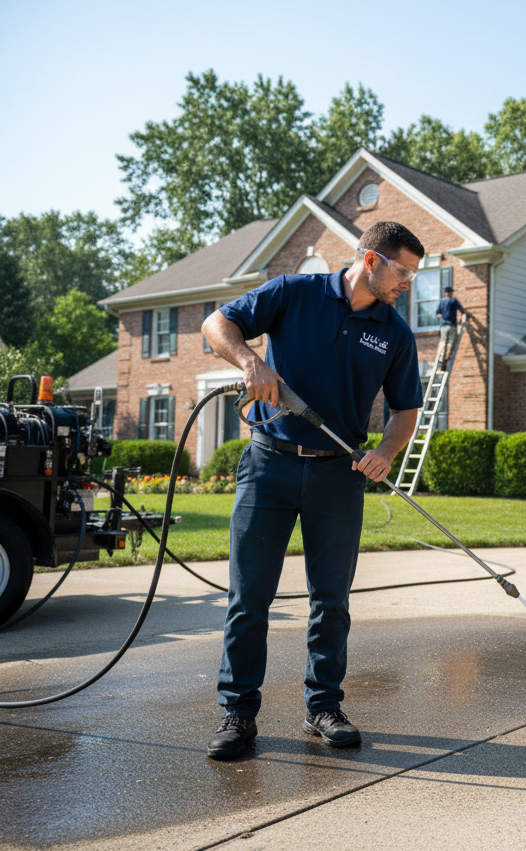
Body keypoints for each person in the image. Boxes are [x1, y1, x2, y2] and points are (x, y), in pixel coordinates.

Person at [201, 221, 425, 760]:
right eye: (403, 271)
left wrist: (385, 451)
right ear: (370, 261)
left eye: (414, 275)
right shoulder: (292, 292)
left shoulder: (394, 333)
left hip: (339, 476)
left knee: (331, 601)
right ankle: (238, 713)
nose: (408, 284)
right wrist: (251, 361)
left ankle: (323, 706)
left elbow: (405, 411)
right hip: (268, 466)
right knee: (249, 597)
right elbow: (216, 323)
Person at [434, 286, 467, 370]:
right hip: (452, 325)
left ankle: (442, 361)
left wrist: (441, 320)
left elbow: (438, 313)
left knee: (443, 343)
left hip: (444, 326)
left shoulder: (442, 301)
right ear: (450, 293)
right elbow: (462, 310)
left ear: (445, 293)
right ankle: (447, 360)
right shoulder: (454, 301)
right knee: (451, 342)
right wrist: (465, 316)